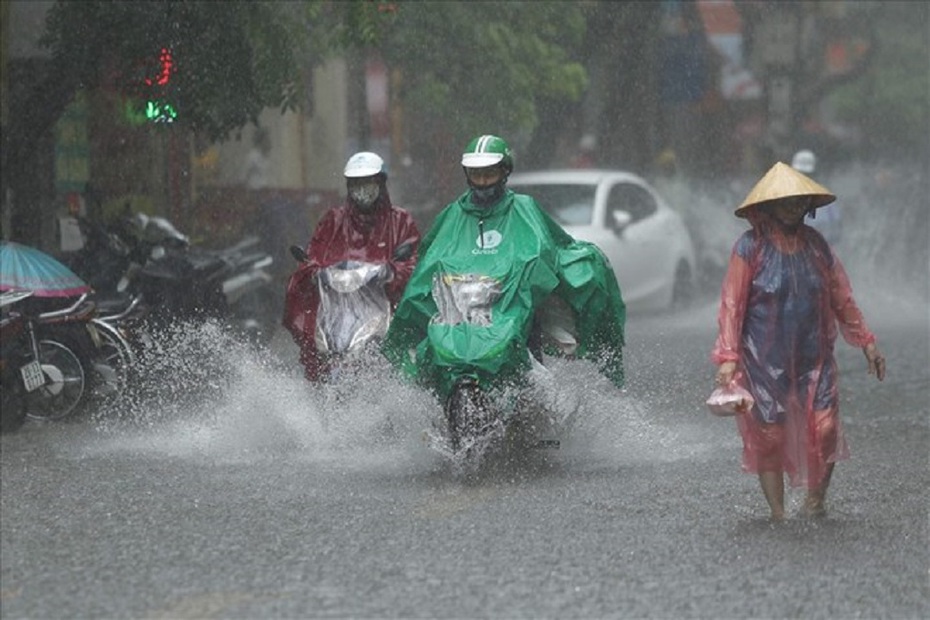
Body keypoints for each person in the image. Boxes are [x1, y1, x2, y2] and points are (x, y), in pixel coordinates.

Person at [382, 134, 626, 397]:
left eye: (489, 174)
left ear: (504, 171)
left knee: (534, 382)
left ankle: (541, 424)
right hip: (461, 311)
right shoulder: (453, 215)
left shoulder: (524, 209)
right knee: (432, 363)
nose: (483, 182)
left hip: (512, 309)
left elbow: (547, 249)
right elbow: (430, 262)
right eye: (477, 175)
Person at [711, 161, 886, 521]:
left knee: (825, 429)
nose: (793, 206)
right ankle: (777, 514)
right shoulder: (749, 248)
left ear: (810, 205)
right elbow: (732, 304)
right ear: (768, 204)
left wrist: (866, 340)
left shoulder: (818, 246)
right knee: (769, 436)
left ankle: (815, 501)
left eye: (799, 200)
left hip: (814, 356)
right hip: (762, 361)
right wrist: (728, 356)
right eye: (784, 200)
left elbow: (842, 297)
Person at [283, 152, 421, 382]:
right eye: (356, 184)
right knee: (315, 358)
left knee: (402, 362)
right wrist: (313, 270)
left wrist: (392, 272)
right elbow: (314, 256)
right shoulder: (333, 221)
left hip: (384, 311)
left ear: (381, 183)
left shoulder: (400, 221)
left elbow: (414, 265)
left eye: (368, 183)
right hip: (336, 313)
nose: (362, 190)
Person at [791, 149, 842, 245]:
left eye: (807, 174)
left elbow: (835, 230)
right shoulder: (781, 199)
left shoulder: (826, 201)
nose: (803, 178)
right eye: (800, 174)